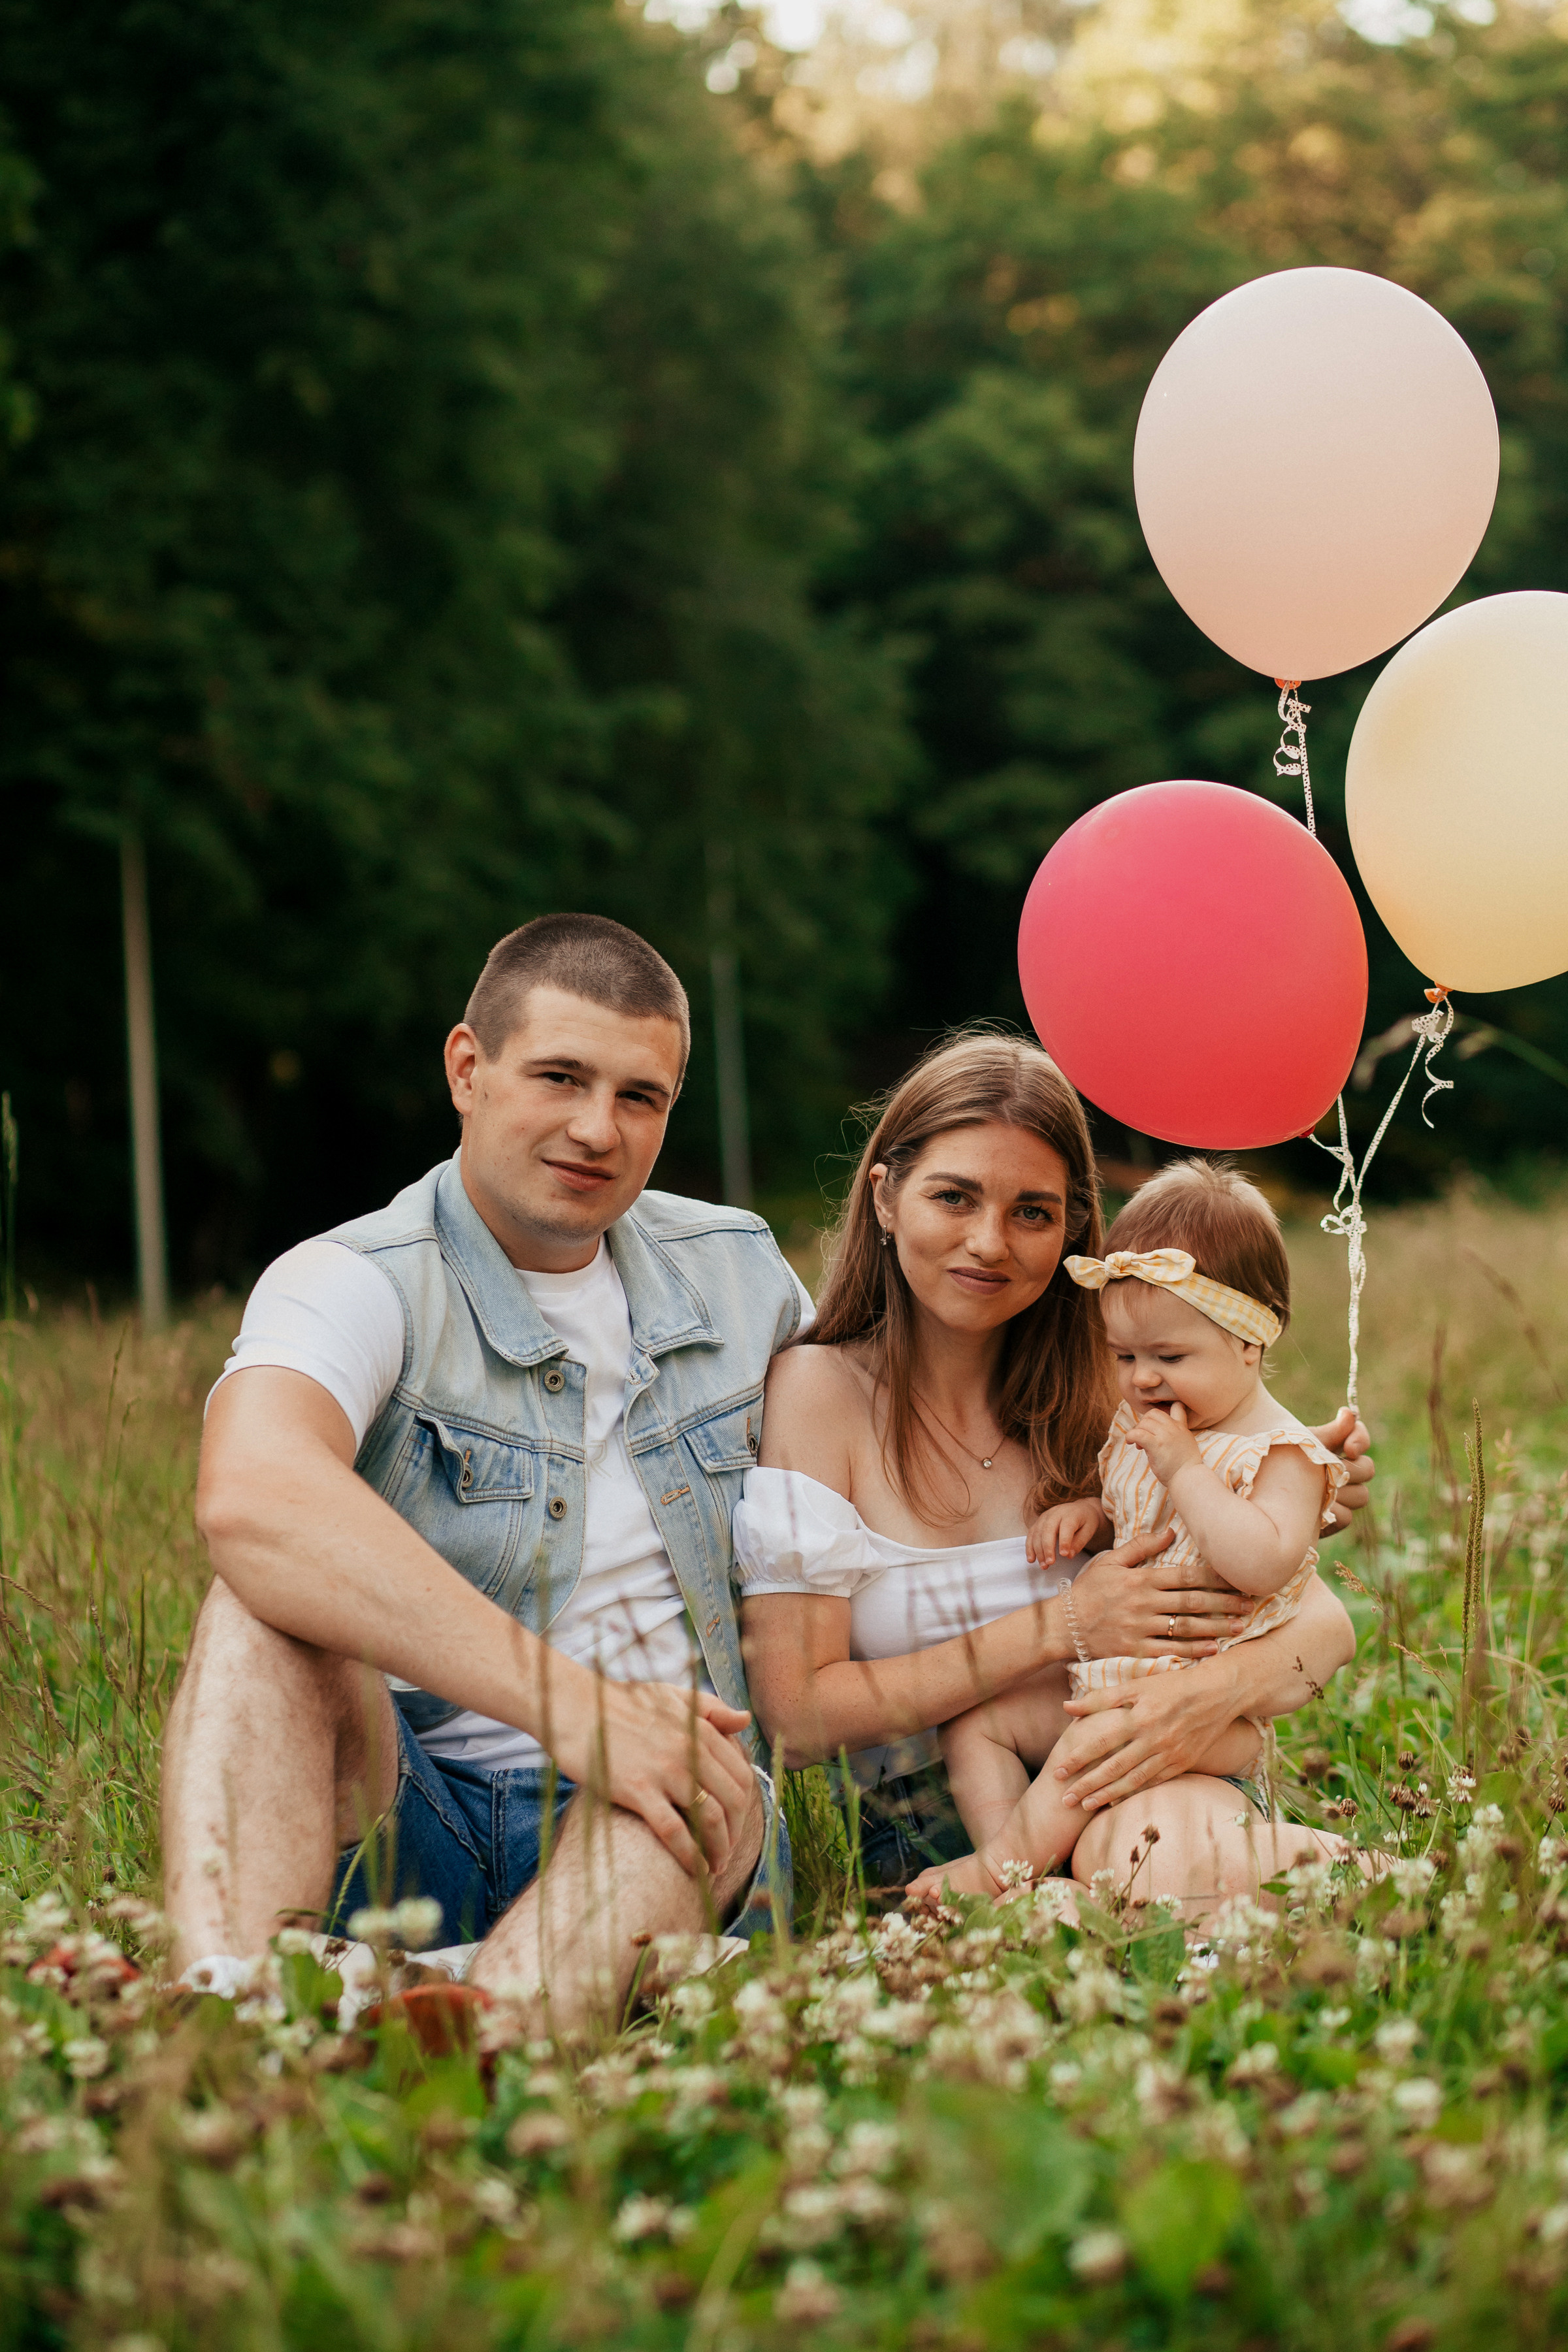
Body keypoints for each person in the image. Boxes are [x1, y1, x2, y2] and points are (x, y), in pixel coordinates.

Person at [162, 914, 813, 2038]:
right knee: (255, 1613)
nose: (596, 1129)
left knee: (702, 1777)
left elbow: (902, 1445)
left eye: (640, 1097)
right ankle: (235, 2022)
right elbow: (251, 1494)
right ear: (468, 1067)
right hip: (407, 1822)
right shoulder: (354, 1279)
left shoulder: (742, 1270)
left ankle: (477, 2042)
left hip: (662, 1822)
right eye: (559, 1077)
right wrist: (579, 1711)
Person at [736, 1032, 1372, 1916]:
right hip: (931, 1824)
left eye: (1033, 1212)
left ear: (1074, 1227)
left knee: (1161, 1870)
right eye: (953, 1197)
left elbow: (1327, 1631)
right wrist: (1063, 1624)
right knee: (1133, 1899)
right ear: (884, 1196)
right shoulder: (821, 1393)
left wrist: (1203, 1692)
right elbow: (797, 1719)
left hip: (1148, 1760)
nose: (989, 1243)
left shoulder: (1114, 1397)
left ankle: (1328, 1895)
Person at [913, 1158, 1350, 1898]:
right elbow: (1135, 1515)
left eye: (1170, 1357)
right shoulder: (1149, 1425)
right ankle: (1025, 1863)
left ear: (1251, 1342)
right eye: (1125, 1357)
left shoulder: (1283, 1453)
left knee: (1094, 1745)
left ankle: (997, 1873)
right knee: (977, 1723)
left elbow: (1263, 1562)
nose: (1143, 1379)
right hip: (1117, 1675)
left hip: (1198, 1698)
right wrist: (1090, 1514)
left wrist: (1185, 1469)